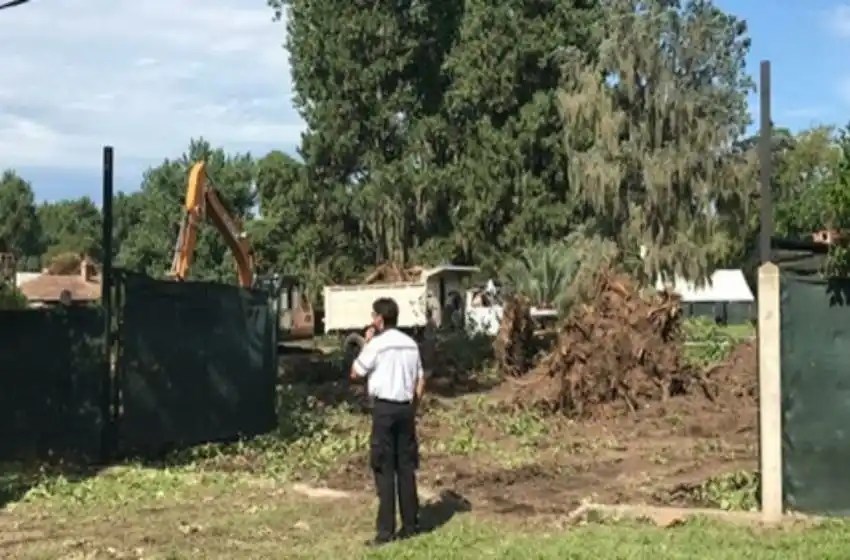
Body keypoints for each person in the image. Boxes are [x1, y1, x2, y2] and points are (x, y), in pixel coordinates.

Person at [350, 297, 426, 547]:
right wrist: (412, 407)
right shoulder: (411, 344)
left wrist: (368, 343)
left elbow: (356, 372)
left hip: (384, 410)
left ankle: (385, 532)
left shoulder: (378, 344)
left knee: (384, 468)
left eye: (374, 316)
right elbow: (420, 381)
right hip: (405, 409)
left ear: (380, 320)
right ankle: (411, 524)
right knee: (406, 467)